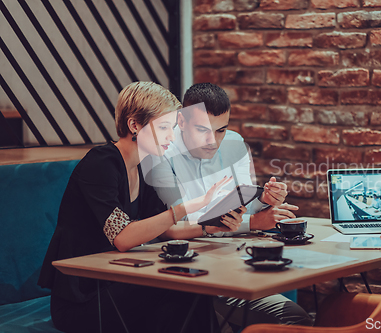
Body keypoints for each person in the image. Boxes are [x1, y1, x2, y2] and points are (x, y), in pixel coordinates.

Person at [38, 82, 245, 333]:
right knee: (181, 289)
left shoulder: (142, 166)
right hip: (84, 298)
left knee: (191, 289)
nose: (172, 136)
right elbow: (123, 238)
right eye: (164, 127)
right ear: (134, 125)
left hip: (118, 279)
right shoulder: (100, 164)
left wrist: (211, 226)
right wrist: (183, 208)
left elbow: (167, 229)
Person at [151, 83, 313, 328]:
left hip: (234, 260)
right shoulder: (161, 153)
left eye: (220, 130)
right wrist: (255, 222)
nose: (213, 141)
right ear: (181, 122)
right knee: (294, 318)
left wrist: (264, 200)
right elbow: (178, 223)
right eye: (202, 130)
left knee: (299, 313)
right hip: (190, 272)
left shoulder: (235, 142)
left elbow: (243, 206)